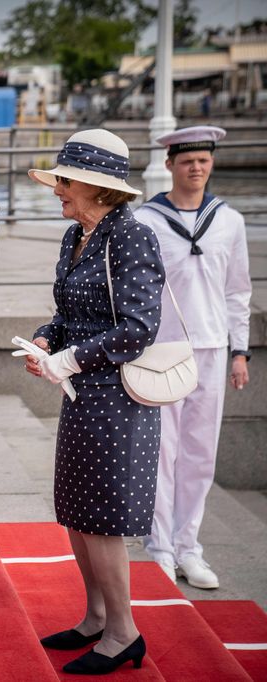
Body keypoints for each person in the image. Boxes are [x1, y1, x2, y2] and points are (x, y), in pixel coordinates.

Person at [23, 129, 164, 675]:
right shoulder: (77, 235)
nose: (57, 188)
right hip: (84, 393)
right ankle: (96, 618)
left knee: (101, 517)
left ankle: (124, 632)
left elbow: (138, 328)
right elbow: (69, 315)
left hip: (117, 397)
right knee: (79, 512)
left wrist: (69, 359)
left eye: (65, 180)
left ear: (96, 188)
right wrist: (43, 339)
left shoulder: (132, 236)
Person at [134, 126, 252, 590]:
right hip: (162, 350)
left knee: (201, 454)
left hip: (213, 349)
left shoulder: (230, 221)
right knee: (162, 454)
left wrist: (239, 350)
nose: (196, 168)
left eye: (203, 160)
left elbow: (238, 291)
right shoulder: (147, 220)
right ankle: (159, 548)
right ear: (169, 164)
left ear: (211, 163)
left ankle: (189, 548)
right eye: (187, 161)